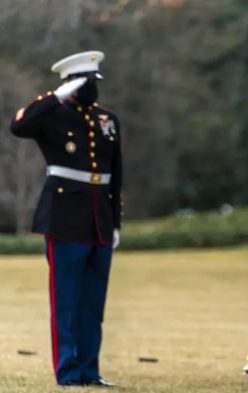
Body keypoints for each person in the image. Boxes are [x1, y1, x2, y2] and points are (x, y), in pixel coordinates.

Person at [10, 51, 122, 387]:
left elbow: (116, 174)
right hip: (65, 218)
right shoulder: (51, 115)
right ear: (70, 84)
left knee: (93, 304)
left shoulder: (108, 120)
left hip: (99, 218)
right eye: (84, 82)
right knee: (67, 302)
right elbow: (19, 125)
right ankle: (69, 371)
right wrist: (53, 97)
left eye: (94, 82)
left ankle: (90, 371)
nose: (91, 89)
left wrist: (115, 222)